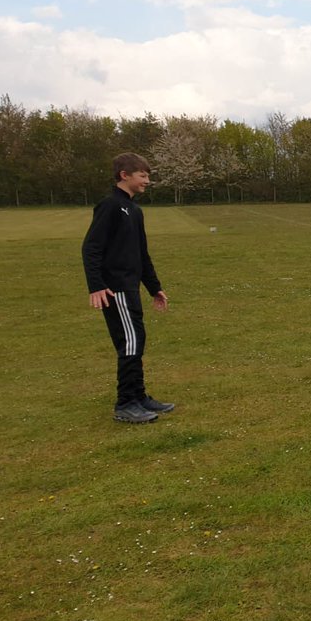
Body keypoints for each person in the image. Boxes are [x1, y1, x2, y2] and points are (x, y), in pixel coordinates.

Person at [82, 152, 173, 423]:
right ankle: (125, 404)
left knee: (136, 339)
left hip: (131, 287)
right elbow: (91, 248)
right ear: (125, 175)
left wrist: (154, 287)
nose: (147, 180)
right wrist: (96, 285)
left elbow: (141, 254)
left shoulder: (134, 210)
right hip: (116, 289)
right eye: (142, 175)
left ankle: (139, 396)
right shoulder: (110, 206)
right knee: (131, 342)